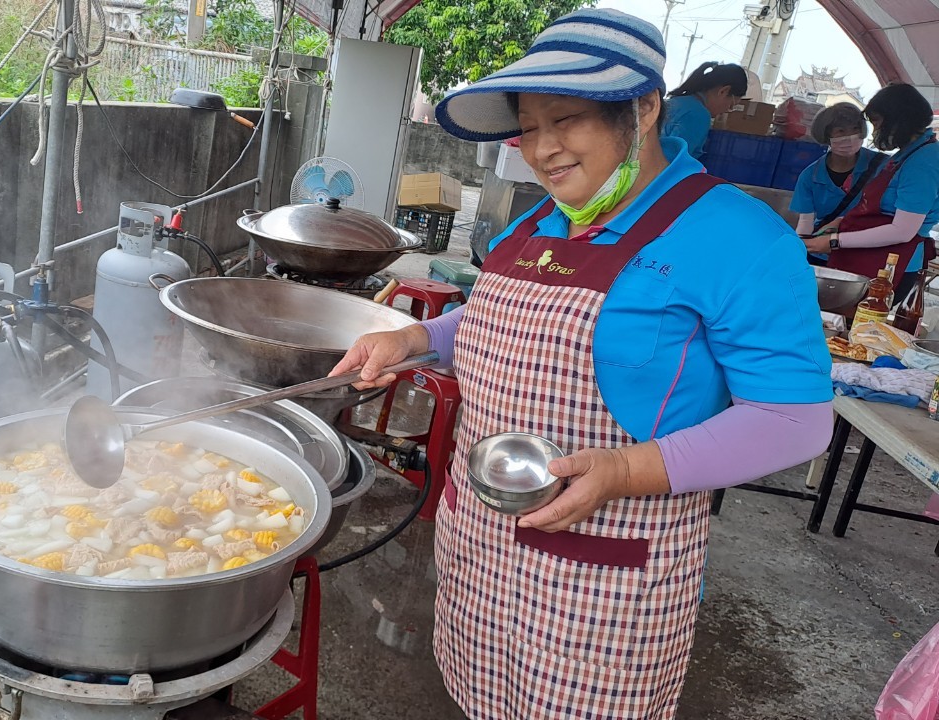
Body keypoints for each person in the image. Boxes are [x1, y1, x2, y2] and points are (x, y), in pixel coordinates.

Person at [338, 9, 833, 719]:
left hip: (607, 574)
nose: (542, 150)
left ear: (645, 107)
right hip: (480, 545)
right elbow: (492, 319)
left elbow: (794, 421)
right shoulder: (539, 221)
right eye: (527, 128)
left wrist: (625, 471)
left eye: (565, 120)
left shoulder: (738, 237)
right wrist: (414, 339)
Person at [805, 84, 939, 301]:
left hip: (892, 265)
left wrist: (835, 241)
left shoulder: (923, 162)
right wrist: (840, 222)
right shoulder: (906, 154)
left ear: (898, 120)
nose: (875, 130)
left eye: (877, 122)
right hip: (870, 256)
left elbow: (903, 231)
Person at [791, 102, 887, 266]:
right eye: (841, 131)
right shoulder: (810, 176)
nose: (850, 137)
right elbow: (805, 223)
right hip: (821, 253)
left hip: (866, 253)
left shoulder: (882, 166)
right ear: (826, 135)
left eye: (855, 129)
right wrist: (797, 252)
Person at [662, 61, 749, 160]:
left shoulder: (679, 101)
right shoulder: (699, 115)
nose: (726, 111)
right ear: (723, 91)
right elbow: (674, 161)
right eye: (731, 105)